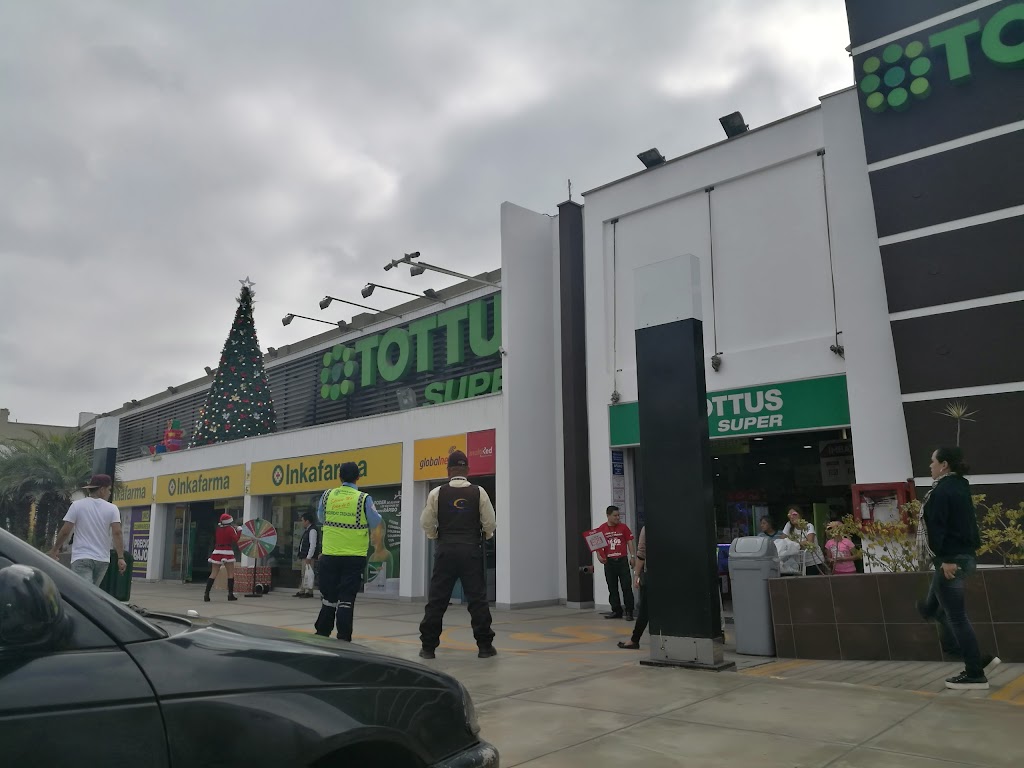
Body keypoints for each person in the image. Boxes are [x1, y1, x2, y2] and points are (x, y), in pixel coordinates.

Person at [920, 447, 1000, 690]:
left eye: (933, 461)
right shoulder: (959, 486)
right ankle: (975, 656)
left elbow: (940, 526)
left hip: (950, 560)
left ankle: (975, 672)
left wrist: (945, 559)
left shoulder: (943, 490)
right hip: (960, 556)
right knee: (931, 608)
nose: (930, 466)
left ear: (944, 464)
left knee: (956, 617)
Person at [418, 450, 497, 660]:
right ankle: (485, 647)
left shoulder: (436, 493)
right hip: (470, 550)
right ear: (467, 470)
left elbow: (426, 522)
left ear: (448, 471)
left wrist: (435, 536)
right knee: (477, 600)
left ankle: (428, 648)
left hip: (445, 550)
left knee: (437, 600)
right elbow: (490, 522)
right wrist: (485, 535)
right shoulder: (479, 492)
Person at [314, 462, 383, 640]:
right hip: (354, 556)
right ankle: (344, 636)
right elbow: (375, 522)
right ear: (358, 477)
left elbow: (321, 517)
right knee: (346, 598)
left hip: (330, 554)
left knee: (329, 597)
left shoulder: (327, 495)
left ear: (339, 476)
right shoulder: (363, 498)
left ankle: (322, 632)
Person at [49, 474, 126, 585]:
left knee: (83, 591)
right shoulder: (112, 508)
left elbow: (65, 531)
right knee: (92, 592)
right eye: (109, 489)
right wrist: (120, 557)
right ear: (102, 490)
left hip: (82, 557)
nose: (110, 493)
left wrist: (55, 549)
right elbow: (117, 533)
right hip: (102, 559)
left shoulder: (77, 505)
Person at [595, 505, 636, 620]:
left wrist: (632, 556)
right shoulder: (602, 528)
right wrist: (598, 555)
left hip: (622, 561)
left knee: (626, 587)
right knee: (612, 588)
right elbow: (597, 544)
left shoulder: (623, 527)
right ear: (608, 516)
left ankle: (629, 611)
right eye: (615, 515)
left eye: (618, 515)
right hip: (609, 562)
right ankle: (616, 610)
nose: (618, 517)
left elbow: (630, 541)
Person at [618, 525, 648, 650]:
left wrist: (636, 575)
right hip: (672, 575)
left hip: (653, 575)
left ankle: (634, 640)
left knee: (645, 609)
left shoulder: (647, 528)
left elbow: (641, 553)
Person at [205, 513, 241, 602]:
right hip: (227, 551)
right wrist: (239, 530)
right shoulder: (230, 529)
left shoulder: (218, 529)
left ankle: (206, 594)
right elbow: (236, 539)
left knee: (213, 573)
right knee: (230, 574)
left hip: (217, 551)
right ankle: (230, 595)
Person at [782, 506, 828, 576]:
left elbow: (809, 542)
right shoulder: (789, 525)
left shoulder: (809, 526)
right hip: (799, 562)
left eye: (794, 514)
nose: (791, 517)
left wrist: (793, 544)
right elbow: (782, 541)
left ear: (800, 515)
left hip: (813, 561)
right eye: (789, 515)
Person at [294, 511, 320, 598]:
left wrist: (309, 556)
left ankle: (309, 591)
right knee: (304, 574)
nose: (302, 522)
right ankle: (302, 590)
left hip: (308, 556)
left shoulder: (312, 530)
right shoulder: (308, 530)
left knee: (308, 574)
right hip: (304, 555)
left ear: (307, 521)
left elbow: (313, 545)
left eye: (303, 520)